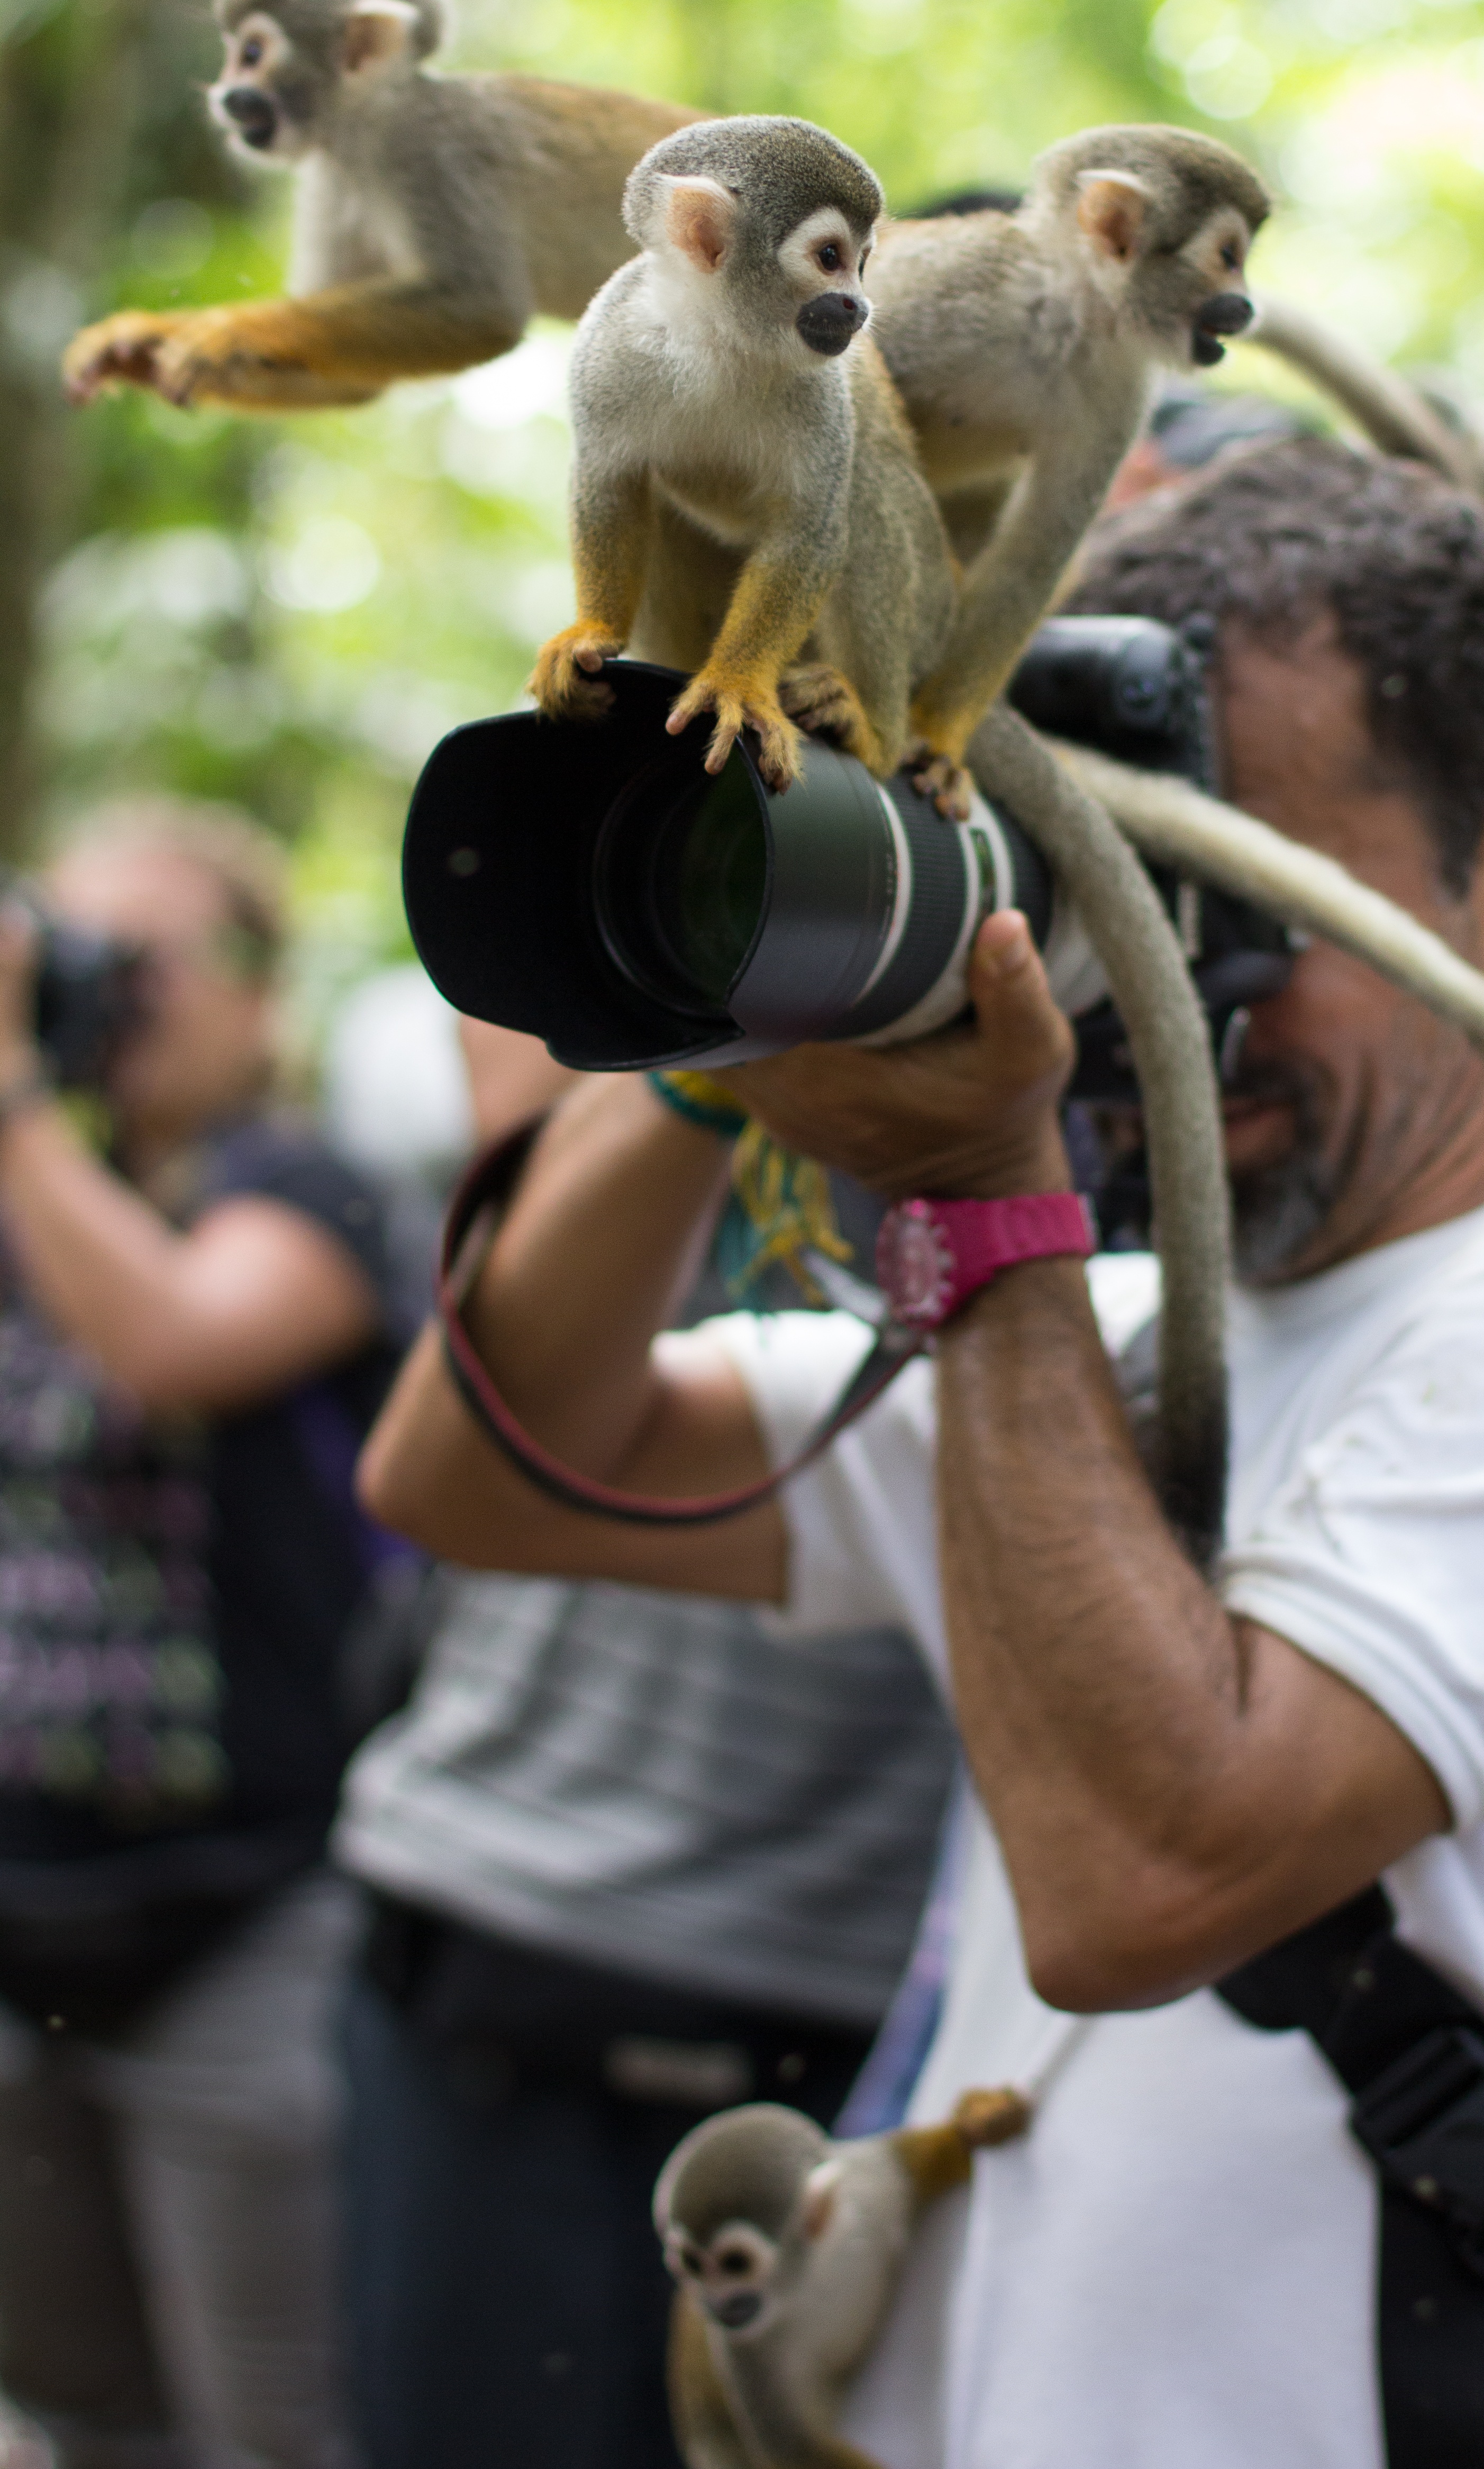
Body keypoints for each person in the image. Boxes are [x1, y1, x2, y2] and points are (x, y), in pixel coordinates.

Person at [360, 438, 1484, 2468]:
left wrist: (980, 1198)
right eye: (1102, 889)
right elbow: (499, 1469)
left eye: (1226, 905)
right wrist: (745, 1006)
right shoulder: (1129, 1336)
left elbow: (1143, 1884)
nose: (1156, 1001)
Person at [335, 1018, 955, 2469]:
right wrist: (698, 1021)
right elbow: (480, 1432)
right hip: (493, 1946)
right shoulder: (643, 1049)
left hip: (834, 2010)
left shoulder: (1025, 1081)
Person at [0, 801, 399, 2469]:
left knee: (274, 2426)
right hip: (22, 1925)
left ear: (258, 990)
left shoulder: (307, 1192)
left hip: (250, 1918)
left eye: (149, 958)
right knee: (82, 2415)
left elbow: (169, 1343)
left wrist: (15, 1101)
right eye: (82, 955)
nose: (115, 997)